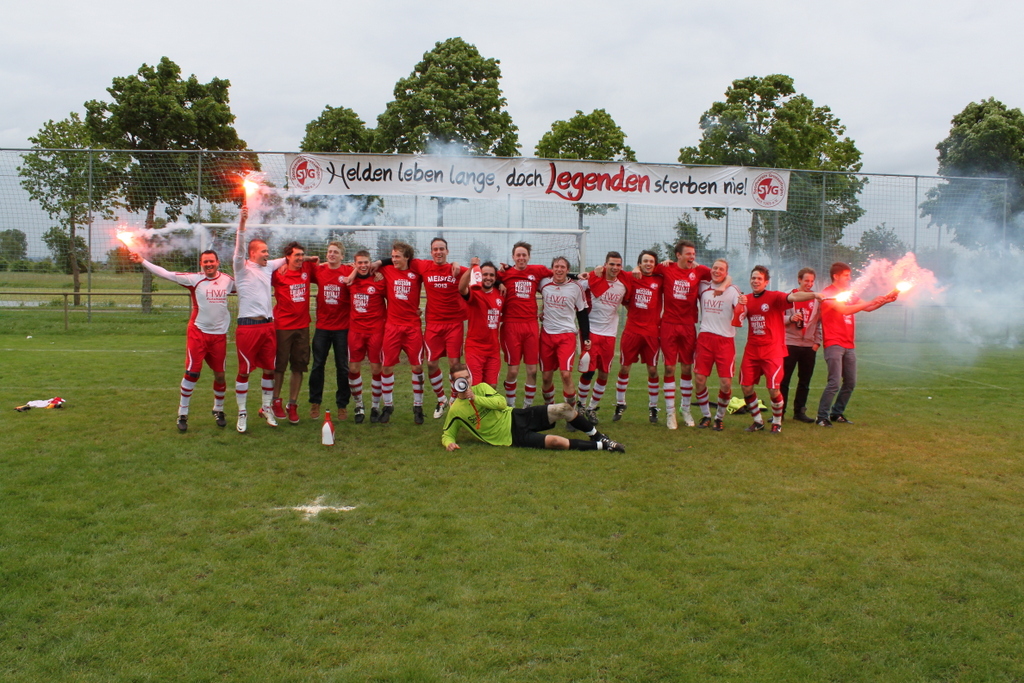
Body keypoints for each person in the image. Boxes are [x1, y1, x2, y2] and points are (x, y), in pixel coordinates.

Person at [127, 249, 234, 432]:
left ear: (217, 262)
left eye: (211, 261)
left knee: (220, 375)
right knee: (192, 373)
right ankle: (182, 413)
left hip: (219, 336)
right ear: (201, 264)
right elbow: (166, 274)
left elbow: (248, 286)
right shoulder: (194, 279)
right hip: (198, 333)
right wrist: (143, 261)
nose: (209, 264)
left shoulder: (228, 280)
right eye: (205, 262)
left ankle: (218, 409)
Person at [441, 362, 625, 453]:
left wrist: (476, 398)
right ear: (453, 383)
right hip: (511, 437)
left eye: (467, 377)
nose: (465, 382)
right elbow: (448, 433)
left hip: (517, 416)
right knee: (556, 442)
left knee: (564, 408)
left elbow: (501, 403)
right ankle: (602, 446)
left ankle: (598, 436)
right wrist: (449, 443)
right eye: (460, 380)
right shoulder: (456, 410)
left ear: (470, 377)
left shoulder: (481, 388)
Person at [737, 266, 823, 434]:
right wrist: (738, 305)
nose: (755, 281)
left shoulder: (775, 297)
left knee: (774, 389)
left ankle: (777, 422)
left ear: (766, 282)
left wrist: (814, 295)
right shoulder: (747, 299)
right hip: (752, 350)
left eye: (759, 278)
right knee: (746, 387)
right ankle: (758, 421)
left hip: (772, 351)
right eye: (753, 278)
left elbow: (794, 296)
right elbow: (736, 319)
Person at [816, 262, 897, 427]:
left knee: (850, 382)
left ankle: (837, 413)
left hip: (849, 344)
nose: (849, 278)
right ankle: (821, 417)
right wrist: (870, 302)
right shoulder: (827, 294)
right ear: (835, 276)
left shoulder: (849, 294)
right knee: (834, 382)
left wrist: (886, 300)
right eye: (846, 275)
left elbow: (868, 307)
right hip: (834, 343)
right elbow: (844, 310)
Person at [232, 206, 287, 432]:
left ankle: (266, 407)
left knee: (269, 369)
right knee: (244, 371)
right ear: (252, 253)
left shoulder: (268, 267)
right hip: (248, 327)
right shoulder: (242, 267)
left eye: (268, 251)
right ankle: (242, 412)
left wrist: (309, 258)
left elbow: (288, 258)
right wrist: (242, 223)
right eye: (264, 251)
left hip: (268, 326)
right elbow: (239, 247)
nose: (267, 254)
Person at [653, 240, 718, 429]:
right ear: (678, 255)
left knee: (687, 368)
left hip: (689, 326)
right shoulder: (666, 268)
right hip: (669, 325)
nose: (692, 257)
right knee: (669, 368)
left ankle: (686, 409)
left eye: (693, 254)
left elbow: (721, 274)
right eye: (688, 253)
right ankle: (670, 412)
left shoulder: (699, 270)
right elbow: (645, 269)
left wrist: (723, 282)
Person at [497, 242, 553, 408]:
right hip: (511, 325)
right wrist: (498, 282)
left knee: (532, 371)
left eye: (524, 255)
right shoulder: (505, 273)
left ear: (529, 257)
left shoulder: (537, 270)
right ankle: (510, 407)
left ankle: (527, 407)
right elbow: (487, 277)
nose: (521, 258)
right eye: (518, 255)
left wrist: (579, 276)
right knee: (513, 370)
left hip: (531, 325)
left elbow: (559, 274)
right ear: (513, 257)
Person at [377, 241, 427, 424]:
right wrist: (379, 263)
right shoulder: (386, 270)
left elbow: (434, 278)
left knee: (417, 367)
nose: (394, 259)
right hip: (392, 327)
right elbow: (367, 267)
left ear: (407, 257)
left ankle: (418, 406)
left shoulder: (417, 273)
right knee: (387, 367)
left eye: (397, 256)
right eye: (392, 256)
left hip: (412, 327)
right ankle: (388, 406)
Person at [692, 259, 744, 431]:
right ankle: (706, 415)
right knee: (699, 379)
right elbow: (691, 266)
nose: (717, 271)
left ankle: (719, 417)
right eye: (715, 268)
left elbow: (741, 309)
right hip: (705, 338)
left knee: (726, 383)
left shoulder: (733, 290)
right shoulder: (703, 286)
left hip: (725, 341)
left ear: (726, 273)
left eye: (721, 269)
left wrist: (742, 307)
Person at [611, 250, 663, 424]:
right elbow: (612, 271)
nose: (648, 264)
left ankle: (653, 407)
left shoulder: (659, 279)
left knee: (653, 370)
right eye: (645, 261)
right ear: (639, 263)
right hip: (632, 331)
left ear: (655, 264)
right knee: (625, 367)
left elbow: (673, 270)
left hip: (652, 333)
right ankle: (620, 403)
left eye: (651, 261)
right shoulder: (630, 276)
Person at [418, 237, 467, 419]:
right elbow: (401, 258)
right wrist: (377, 264)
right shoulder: (423, 266)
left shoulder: (456, 270)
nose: (438, 252)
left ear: (447, 251)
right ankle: (441, 399)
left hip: (454, 324)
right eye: (435, 249)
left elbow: (479, 273)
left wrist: (499, 282)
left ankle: (454, 398)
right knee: (431, 364)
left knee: (455, 365)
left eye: (441, 249)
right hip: (433, 324)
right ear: (431, 252)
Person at [270, 241, 318, 424]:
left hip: (302, 326)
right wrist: (283, 263)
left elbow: (316, 260)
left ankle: (292, 404)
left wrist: (306, 258)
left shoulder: (307, 268)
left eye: (302, 255)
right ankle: (275, 401)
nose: (300, 258)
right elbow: (262, 269)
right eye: (296, 255)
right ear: (287, 257)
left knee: (299, 366)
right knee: (279, 366)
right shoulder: (278, 273)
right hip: (282, 326)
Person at [578, 252, 627, 423]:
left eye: (618, 265)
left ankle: (592, 408)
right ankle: (580, 406)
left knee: (604, 373)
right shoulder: (593, 280)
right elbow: (574, 287)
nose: (615, 268)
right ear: (605, 265)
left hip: (610, 335)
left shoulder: (623, 285)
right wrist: (588, 273)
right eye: (611, 264)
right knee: (588, 371)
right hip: (591, 332)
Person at [538, 256, 590, 409]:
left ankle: (571, 413)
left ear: (568, 270)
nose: (559, 269)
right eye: (556, 266)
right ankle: (550, 410)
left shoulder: (576, 287)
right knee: (546, 377)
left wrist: (586, 336)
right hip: (546, 335)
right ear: (552, 269)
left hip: (566, 335)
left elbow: (582, 313)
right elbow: (526, 275)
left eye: (562, 267)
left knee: (566, 375)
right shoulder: (544, 283)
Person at [309, 241, 352, 421]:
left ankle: (342, 405)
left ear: (342, 256)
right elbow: (298, 265)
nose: (332, 254)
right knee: (318, 365)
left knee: (342, 367)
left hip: (343, 328)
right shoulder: (319, 270)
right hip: (322, 327)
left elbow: (366, 271)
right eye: (329, 252)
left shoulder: (349, 271)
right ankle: (315, 402)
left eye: (335, 252)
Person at [346, 250, 387, 424]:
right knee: (353, 369)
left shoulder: (379, 279)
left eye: (366, 262)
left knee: (376, 369)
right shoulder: (350, 280)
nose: (363, 266)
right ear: (355, 264)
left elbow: (394, 300)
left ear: (370, 263)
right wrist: (352, 272)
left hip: (376, 331)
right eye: (360, 263)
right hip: (356, 331)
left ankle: (375, 406)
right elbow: (331, 266)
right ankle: (359, 405)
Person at [780, 267, 822, 423]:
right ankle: (780, 412)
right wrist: (790, 319)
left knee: (804, 382)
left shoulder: (817, 300)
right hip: (790, 344)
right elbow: (777, 318)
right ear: (799, 280)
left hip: (808, 347)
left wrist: (817, 342)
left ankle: (799, 412)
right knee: (784, 380)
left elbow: (818, 323)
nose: (809, 284)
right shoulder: (789, 296)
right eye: (806, 281)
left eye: (812, 281)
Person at [459, 258, 503, 387]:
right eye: (485, 274)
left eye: (491, 275)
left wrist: (501, 283)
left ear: (495, 278)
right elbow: (461, 288)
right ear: (479, 275)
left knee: (491, 387)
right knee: (476, 387)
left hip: (493, 350)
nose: (488, 278)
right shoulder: (474, 292)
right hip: (475, 349)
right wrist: (472, 267)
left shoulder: (501, 294)